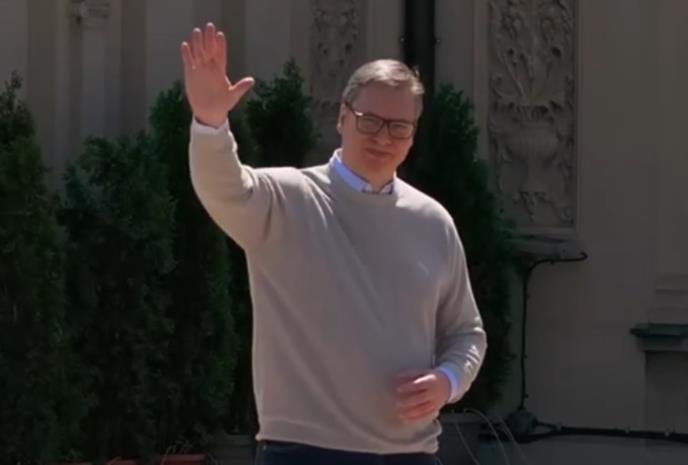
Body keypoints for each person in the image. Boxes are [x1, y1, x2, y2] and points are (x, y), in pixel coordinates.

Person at [181, 22, 486, 465]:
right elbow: (222, 188)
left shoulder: (433, 222)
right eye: (369, 120)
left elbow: (466, 333)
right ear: (343, 117)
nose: (383, 137)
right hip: (303, 453)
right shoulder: (287, 199)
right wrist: (210, 124)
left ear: (413, 135)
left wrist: (449, 381)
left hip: (412, 454)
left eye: (399, 127)